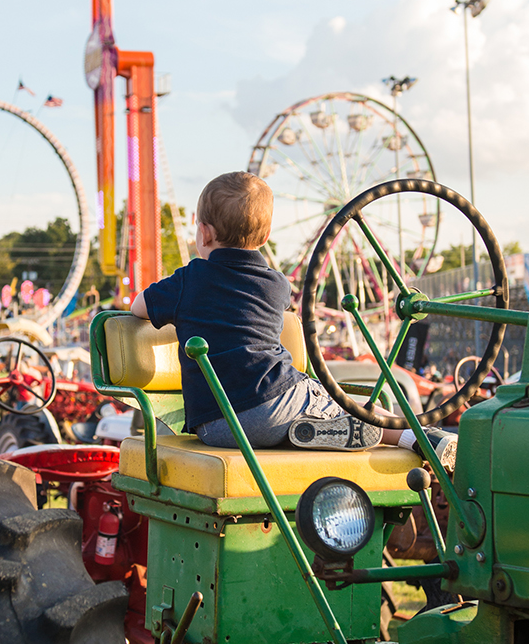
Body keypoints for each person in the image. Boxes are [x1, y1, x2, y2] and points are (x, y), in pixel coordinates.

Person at [130, 170, 447, 460]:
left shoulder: (188, 281)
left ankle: (309, 434)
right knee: (350, 408)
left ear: (204, 232)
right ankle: (412, 437)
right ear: (265, 237)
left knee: (305, 414)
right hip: (278, 401)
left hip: (216, 427)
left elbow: (138, 307)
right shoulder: (276, 284)